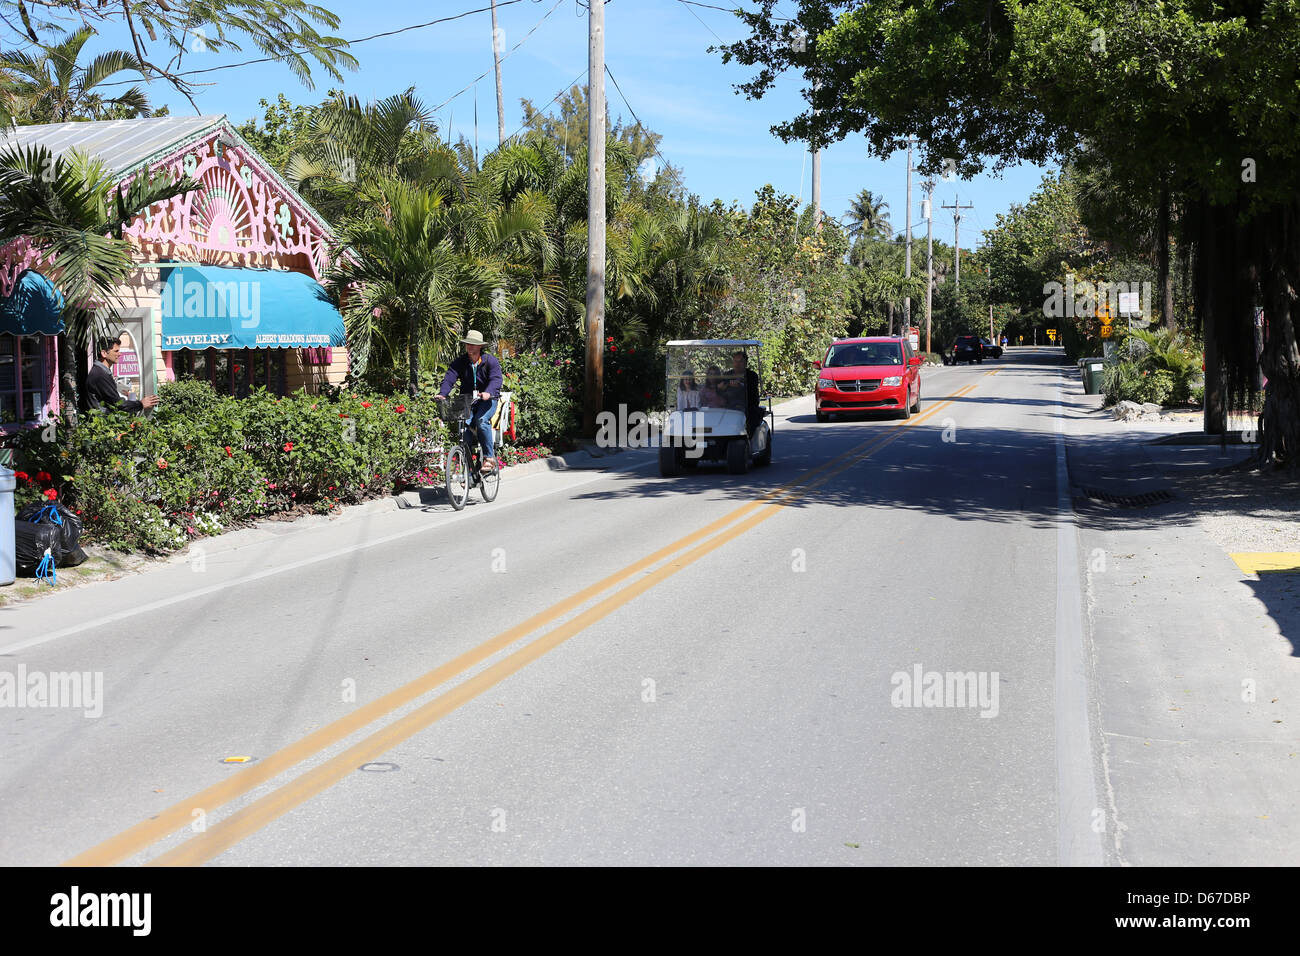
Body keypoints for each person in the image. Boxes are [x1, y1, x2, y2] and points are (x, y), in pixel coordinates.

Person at [434, 330, 503, 472]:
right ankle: (468, 470)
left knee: (481, 420)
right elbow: (450, 377)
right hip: (468, 400)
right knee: (464, 427)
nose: (470, 347)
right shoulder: (461, 362)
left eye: (474, 344)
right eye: (468, 344)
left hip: (487, 400)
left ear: (480, 347)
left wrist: (488, 392)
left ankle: (489, 458)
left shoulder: (490, 361)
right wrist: (442, 394)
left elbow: (496, 379)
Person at [86, 335, 158, 413]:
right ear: (104, 353)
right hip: (102, 423)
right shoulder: (100, 374)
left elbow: (111, 400)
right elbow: (118, 404)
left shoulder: (101, 372)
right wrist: (141, 404)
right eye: (116, 351)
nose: (120, 354)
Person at [728, 350, 762, 433]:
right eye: (735, 361)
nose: (737, 364)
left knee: (751, 419)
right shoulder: (728, 374)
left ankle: (747, 439)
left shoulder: (752, 375)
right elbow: (721, 387)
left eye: (740, 361)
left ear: (746, 363)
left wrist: (741, 385)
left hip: (748, 406)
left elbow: (752, 390)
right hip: (729, 408)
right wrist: (723, 386)